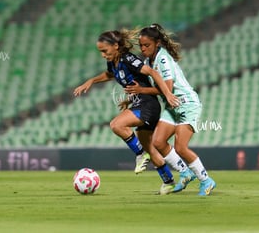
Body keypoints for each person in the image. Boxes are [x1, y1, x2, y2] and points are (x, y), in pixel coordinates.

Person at [73, 29, 182, 194]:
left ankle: (140, 153)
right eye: (100, 52)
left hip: (147, 105)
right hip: (139, 104)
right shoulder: (113, 62)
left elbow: (152, 72)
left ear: (116, 46)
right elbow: (109, 74)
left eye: (105, 51)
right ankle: (169, 182)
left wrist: (167, 93)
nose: (103, 55)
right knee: (152, 149)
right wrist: (91, 81)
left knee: (116, 125)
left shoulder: (128, 59)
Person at [124, 23, 216, 196]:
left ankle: (206, 180)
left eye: (147, 45)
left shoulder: (163, 59)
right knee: (158, 142)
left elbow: (166, 88)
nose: (143, 49)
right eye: (141, 46)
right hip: (171, 106)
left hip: (187, 104)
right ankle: (185, 173)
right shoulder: (147, 62)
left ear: (157, 43)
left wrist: (141, 90)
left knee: (180, 147)